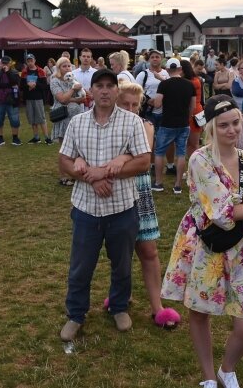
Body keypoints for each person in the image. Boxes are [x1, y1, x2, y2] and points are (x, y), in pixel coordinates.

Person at [162, 95, 243, 388]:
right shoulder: (200, 159)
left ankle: (226, 369)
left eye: (236, 123)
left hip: (241, 248)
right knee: (200, 312)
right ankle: (208, 377)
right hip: (206, 246)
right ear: (211, 127)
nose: (232, 130)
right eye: (224, 125)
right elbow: (222, 214)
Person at [57, 69, 151, 342]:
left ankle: (119, 307)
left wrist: (105, 172)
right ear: (92, 90)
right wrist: (90, 176)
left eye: (111, 86)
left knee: (121, 264)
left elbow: (143, 162)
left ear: (117, 91)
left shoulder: (132, 122)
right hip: (86, 208)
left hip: (122, 208)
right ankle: (76, 314)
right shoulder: (78, 123)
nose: (106, 90)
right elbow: (64, 162)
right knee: (80, 267)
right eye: (100, 85)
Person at [99, 82, 181, 329]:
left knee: (149, 251)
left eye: (136, 104)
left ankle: (158, 307)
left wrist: (121, 158)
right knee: (119, 253)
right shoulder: (104, 128)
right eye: (126, 104)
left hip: (140, 195)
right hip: (114, 196)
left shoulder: (145, 125)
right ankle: (121, 296)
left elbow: (141, 155)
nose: (131, 109)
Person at [152, 58, 195, 194]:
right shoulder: (190, 85)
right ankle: (178, 185)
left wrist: (151, 101)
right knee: (181, 154)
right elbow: (192, 107)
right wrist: (187, 118)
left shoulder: (164, 85)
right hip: (183, 123)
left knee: (159, 153)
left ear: (168, 70)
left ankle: (158, 183)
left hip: (167, 123)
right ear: (180, 69)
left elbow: (157, 104)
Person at [50, 57, 86, 186]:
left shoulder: (74, 80)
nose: (67, 68)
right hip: (63, 118)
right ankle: (63, 176)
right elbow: (62, 99)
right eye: (64, 66)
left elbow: (82, 98)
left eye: (69, 66)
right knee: (64, 149)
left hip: (77, 117)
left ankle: (75, 173)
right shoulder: (54, 81)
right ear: (58, 68)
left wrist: (79, 93)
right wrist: (73, 90)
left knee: (77, 148)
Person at [21, 54, 51, 144]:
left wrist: (35, 83)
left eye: (31, 60)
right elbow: (21, 86)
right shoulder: (24, 72)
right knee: (32, 118)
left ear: (35, 60)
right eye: (28, 61)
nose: (30, 62)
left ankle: (47, 137)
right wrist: (27, 85)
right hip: (29, 98)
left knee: (41, 118)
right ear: (26, 62)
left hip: (38, 98)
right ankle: (36, 137)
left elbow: (45, 86)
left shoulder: (41, 71)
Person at [0, 56, 22, 146]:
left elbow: (15, 83)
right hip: (0, 99)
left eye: (6, 63)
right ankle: (0, 137)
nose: (4, 65)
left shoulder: (14, 72)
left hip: (12, 99)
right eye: (3, 63)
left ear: (9, 63)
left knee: (14, 119)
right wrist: (9, 84)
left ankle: (15, 137)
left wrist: (8, 73)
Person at [183, 59, 205, 159]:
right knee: (190, 143)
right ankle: (193, 161)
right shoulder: (196, 79)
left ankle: (196, 162)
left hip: (194, 112)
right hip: (198, 111)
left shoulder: (192, 82)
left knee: (194, 142)